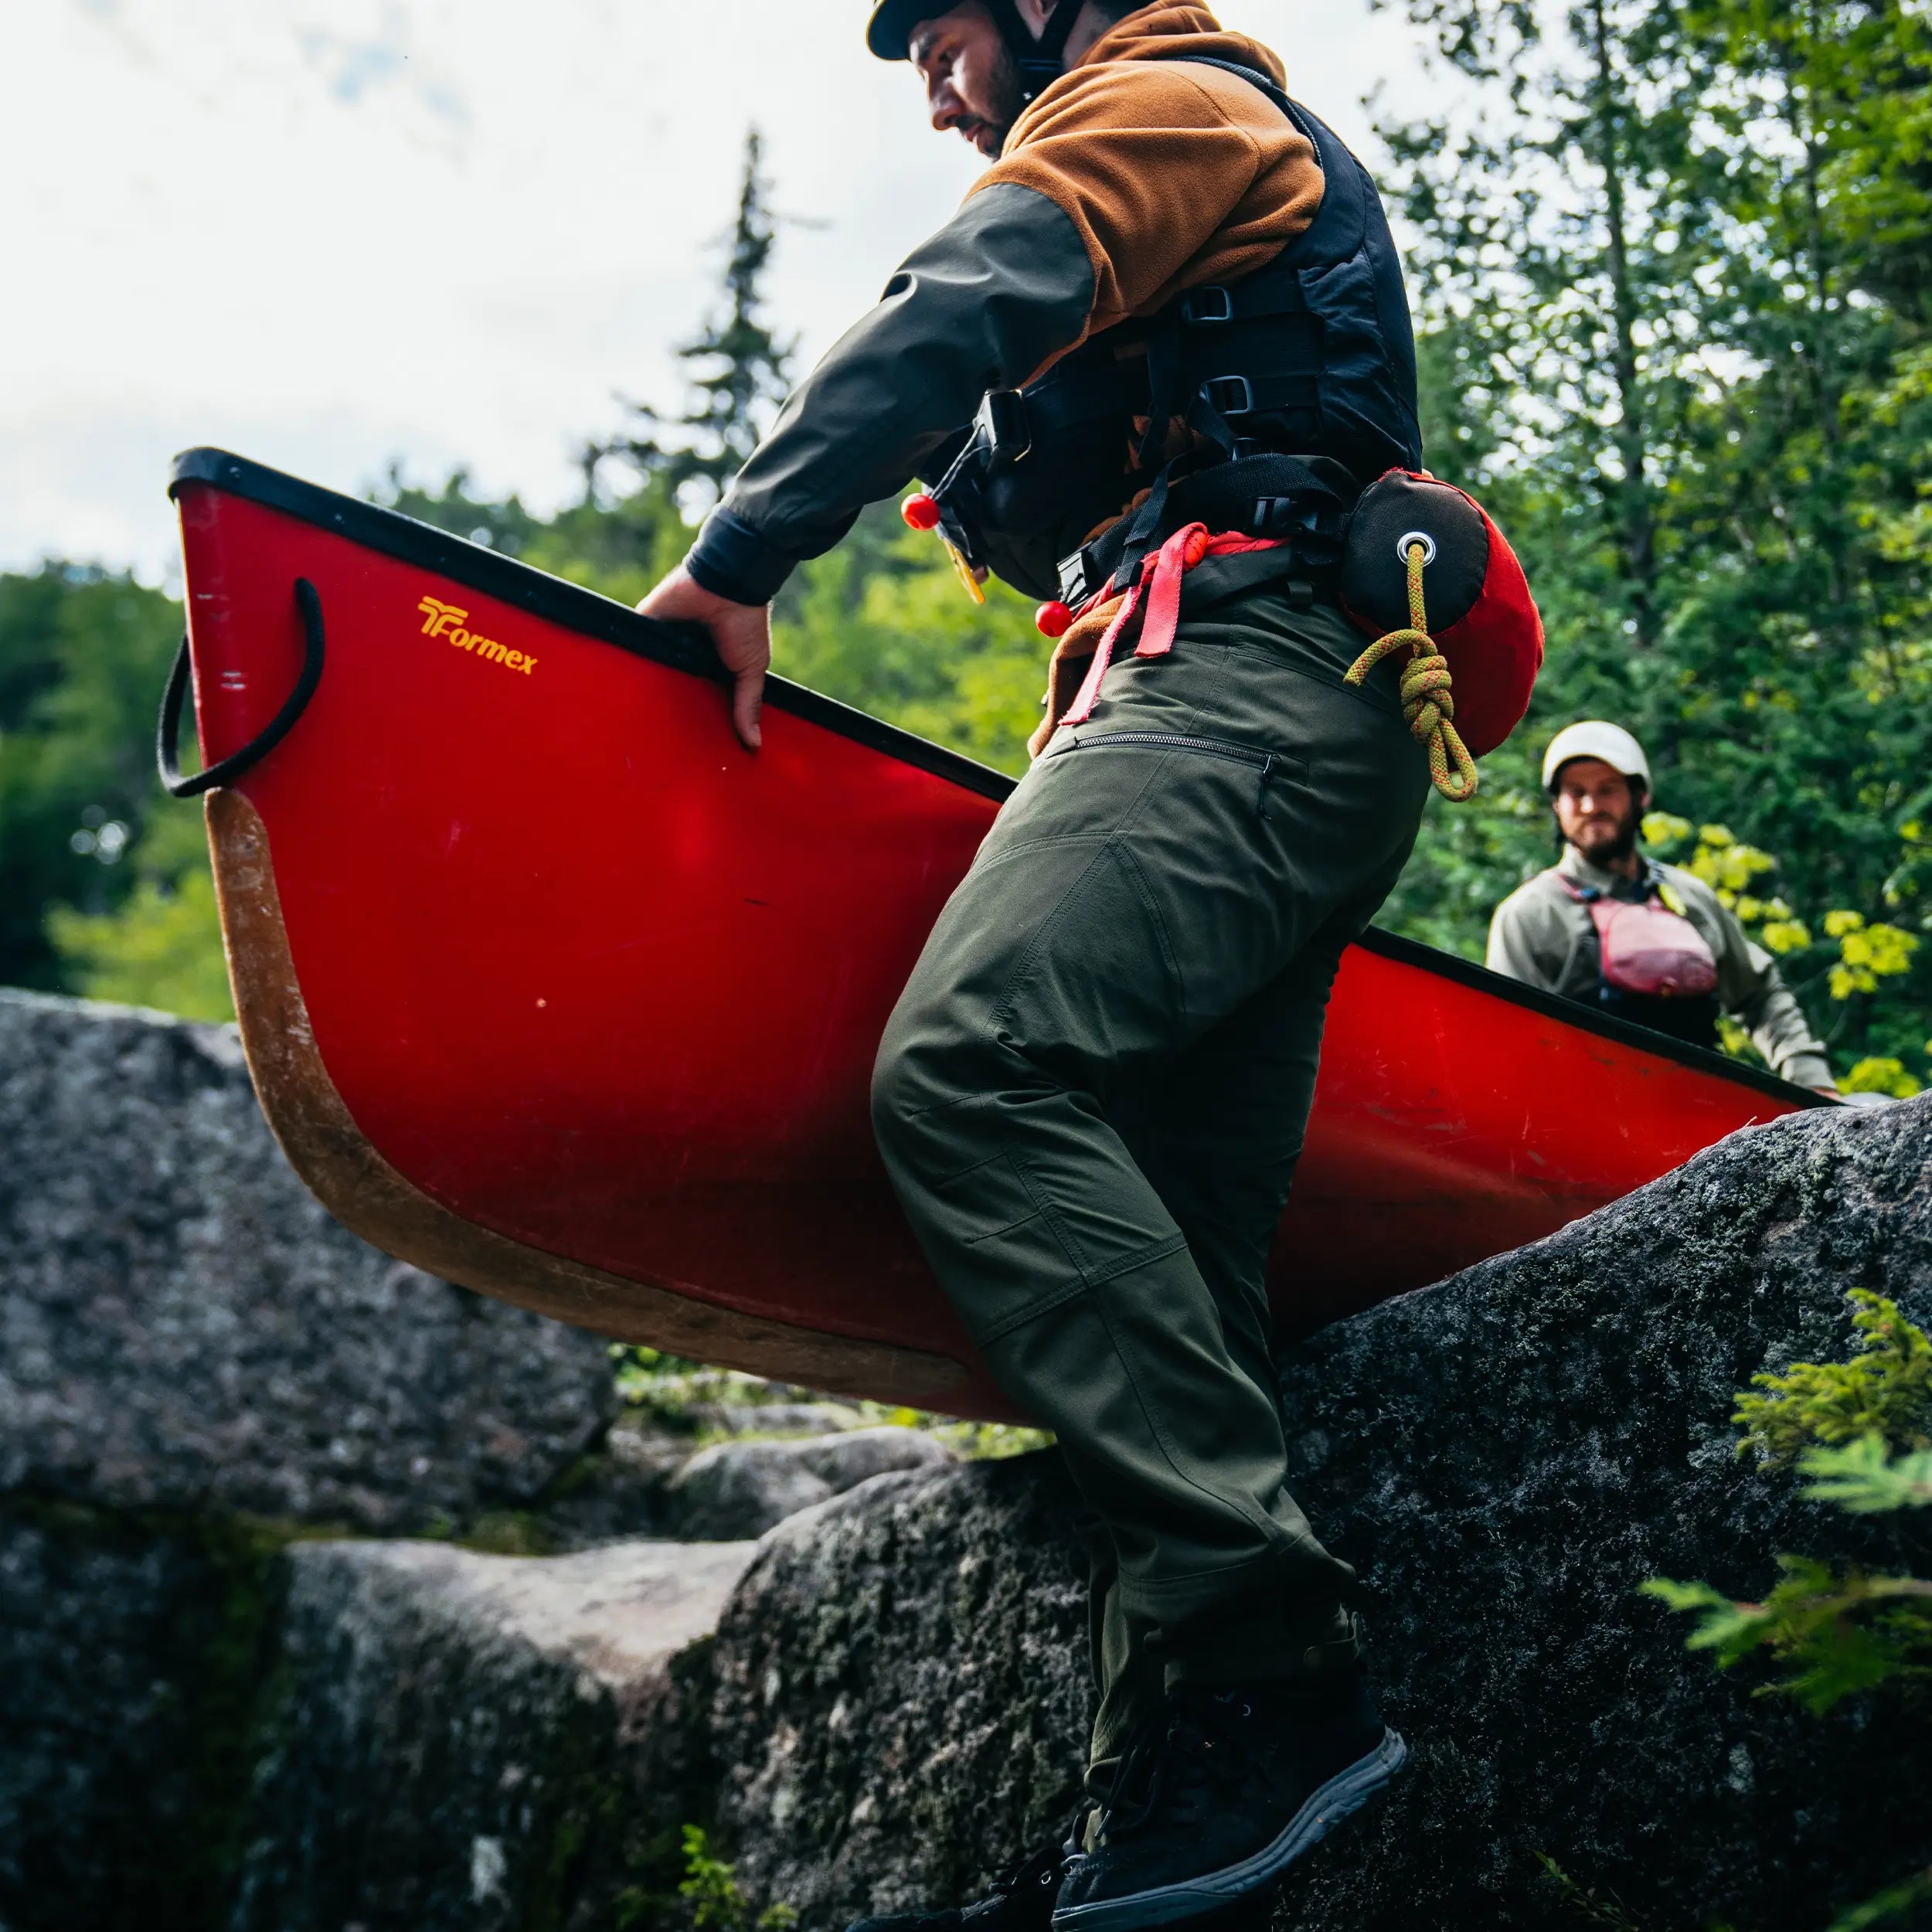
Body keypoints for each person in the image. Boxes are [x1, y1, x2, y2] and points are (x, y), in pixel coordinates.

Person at [640, 4, 1433, 1923]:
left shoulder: (1159, 104)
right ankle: (1180, 1804)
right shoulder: (1148, 157)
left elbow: (963, 300)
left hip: (1243, 684)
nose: (926, 74)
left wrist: (738, 554)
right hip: (1228, 697)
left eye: (948, 28)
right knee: (1183, 1259)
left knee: (971, 1065)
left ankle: (1268, 1660)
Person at [1487, 721, 1838, 1096]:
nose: (1592, 806)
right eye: (1577, 793)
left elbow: (1759, 995)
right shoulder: (1529, 915)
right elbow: (1508, 1046)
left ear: (1640, 797)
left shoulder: (1691, 898)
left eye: (1608, 790)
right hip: (1581, 1120)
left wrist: (1811, 1082)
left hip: (1704, 1121)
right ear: (1558, 806)